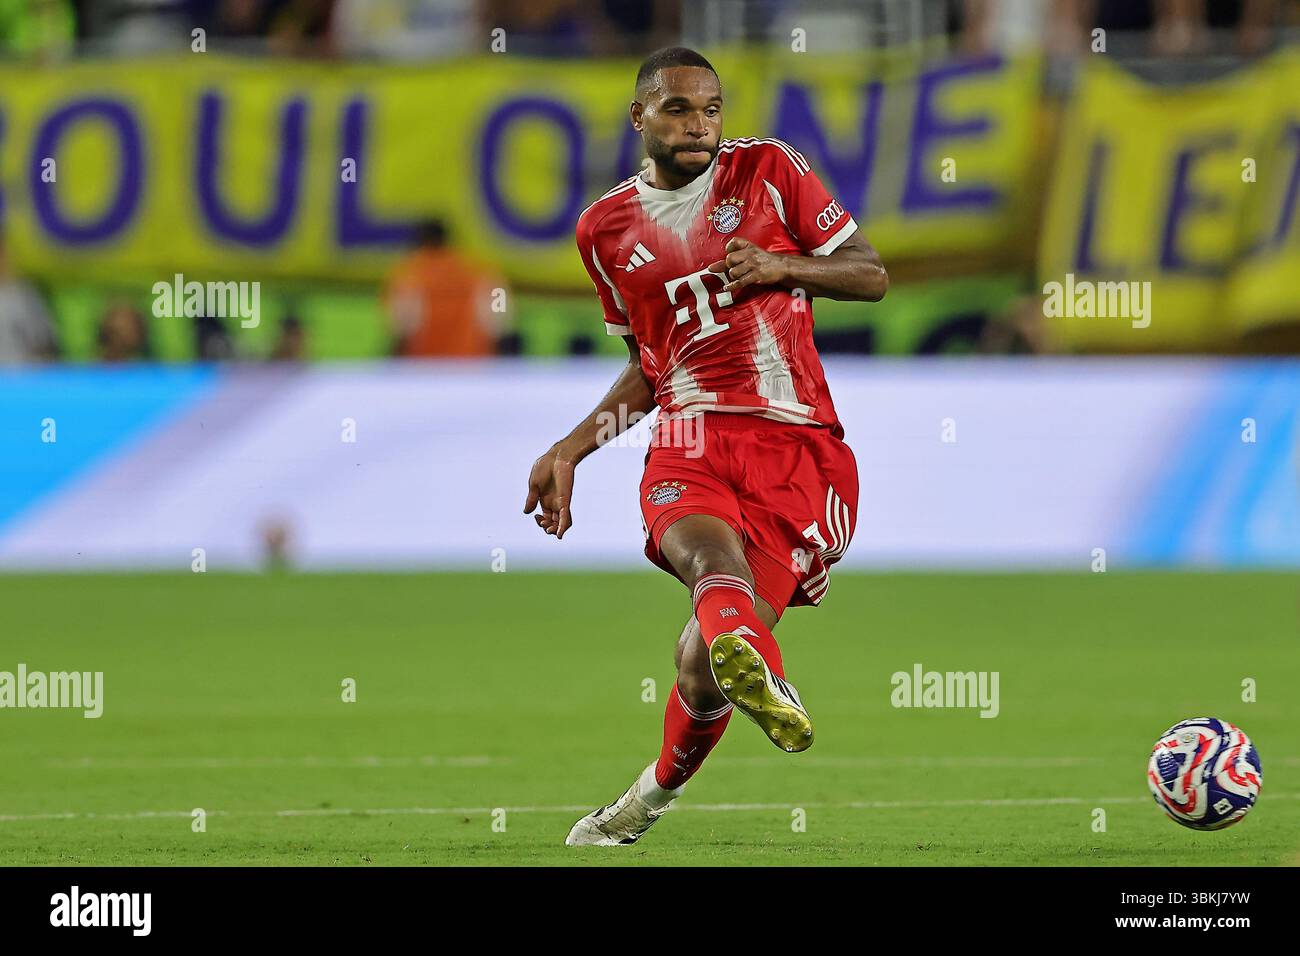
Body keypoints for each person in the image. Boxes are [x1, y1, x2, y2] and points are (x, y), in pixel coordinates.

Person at [523, 47, 888, 846]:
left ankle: (646, 800)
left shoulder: (769, 172)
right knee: (706, 567)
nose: (700, 126)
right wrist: (571, 448)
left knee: (700, 664)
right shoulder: (603, 230)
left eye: (712, 109)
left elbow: (869, 274)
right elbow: (648, 370)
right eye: (680, 109)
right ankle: (762, 665)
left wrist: (779, 265)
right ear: (640, 117)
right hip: (689, 435)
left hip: (794, 444)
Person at [383, 219, 507, 357]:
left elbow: (402, 328)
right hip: (474, 367)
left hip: (423, 369)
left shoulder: (408, 276)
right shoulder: (482, 273)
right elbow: (500, 321)